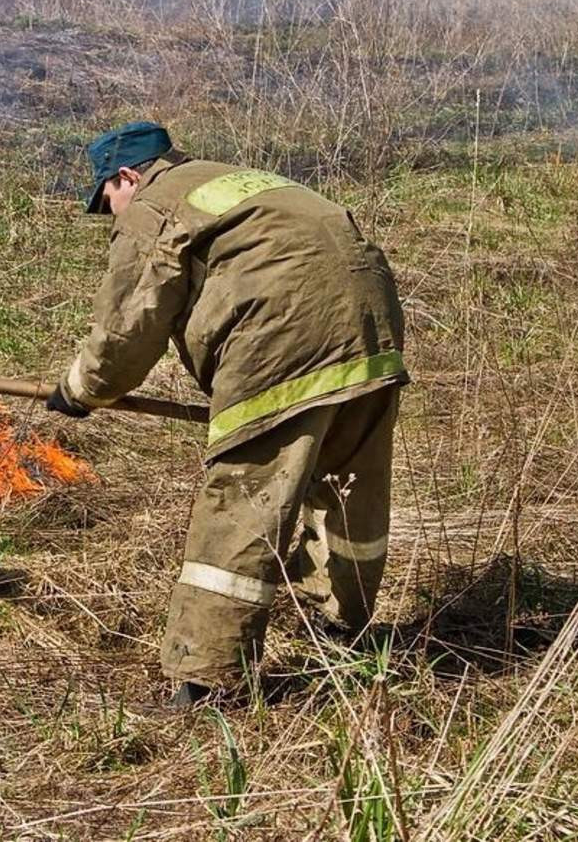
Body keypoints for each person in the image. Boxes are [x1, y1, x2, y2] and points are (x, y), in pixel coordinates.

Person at [46, 121, 408, 706]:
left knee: (241, 500)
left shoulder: (155, 202)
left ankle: (204, 679)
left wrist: (81, 390)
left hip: (284, 331)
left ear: (128, 176)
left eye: (106, 200)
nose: (111, 215)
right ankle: (345, 629)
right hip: (373, 323)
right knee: (347, 486)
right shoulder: (228, 179)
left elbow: (128, 325)